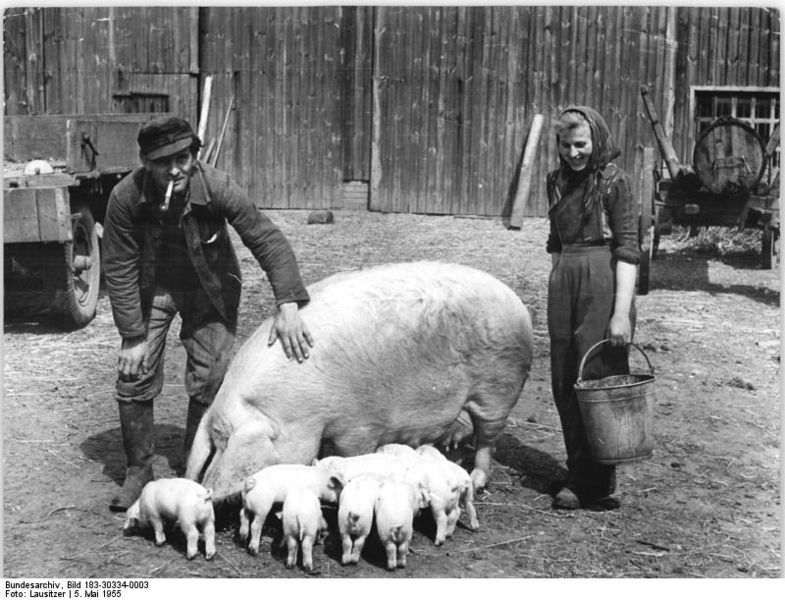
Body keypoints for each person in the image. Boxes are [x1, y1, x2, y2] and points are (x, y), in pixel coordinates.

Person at [103, 116, 313, 512]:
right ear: (145, 163)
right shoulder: (125, 197)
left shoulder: (217, 185)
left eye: (183, 157)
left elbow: (265, 237)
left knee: (210, 375)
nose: (175, 169)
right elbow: (118, 265)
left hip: (209, 286)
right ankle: (138, 469)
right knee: (133, 373)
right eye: (163, 161)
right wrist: (132, 335)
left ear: (194, 156)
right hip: (154, 287)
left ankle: (193, 467)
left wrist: (287, 302)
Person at [545, 106, 640, 511]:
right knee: (565, 377)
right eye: (566, 146)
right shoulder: (556, 181)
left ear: (596, 140)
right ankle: (576, 468)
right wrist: (558, 283)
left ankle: (599, 479)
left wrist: (620, 312)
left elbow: (629, 250)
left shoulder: (616, 183)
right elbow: (554, 243)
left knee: (597, 376)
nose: (573, 153)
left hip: (603, 277)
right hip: (565, 278)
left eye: (580, 144)